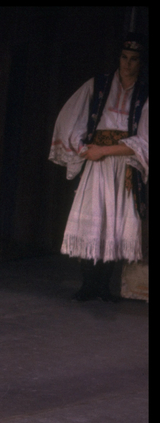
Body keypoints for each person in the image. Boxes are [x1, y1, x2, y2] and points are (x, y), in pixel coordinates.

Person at [48, 33, 148, 302]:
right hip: (97, 164)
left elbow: (144, 141)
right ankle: (88, 285)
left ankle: (104, 287)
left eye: (134, 59)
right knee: (94, 222)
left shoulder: (144, 94)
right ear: (119, 58)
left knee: (114, 226)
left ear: (141, 63)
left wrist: (105, 150)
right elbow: (70, 117)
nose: (128, 64)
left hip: (124, 165)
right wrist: (83, 149)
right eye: (124, 58)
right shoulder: (100, 85)